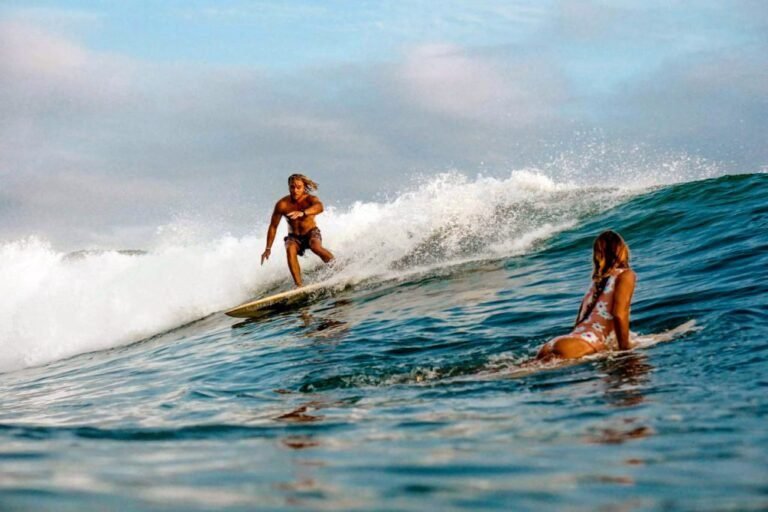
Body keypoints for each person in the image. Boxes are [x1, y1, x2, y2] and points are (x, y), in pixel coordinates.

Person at [536, 230, 637, 361]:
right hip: (581, 344)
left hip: (561, 342)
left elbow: (579, 320)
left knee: (524, 368)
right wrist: (626, 351)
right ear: (622, 250)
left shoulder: (596, 282)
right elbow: (619, 314)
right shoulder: (626, 274)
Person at [260, 174, 335, 287]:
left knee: (315, 246)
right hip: (294, 237)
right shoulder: (282, 204)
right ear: (289, 187)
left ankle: (336, 266)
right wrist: (268, 248)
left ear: (304, 187)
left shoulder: (310, 199)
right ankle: (299, 285)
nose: (295, 190)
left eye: (299, 187)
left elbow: (320, 207)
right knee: (290, 248)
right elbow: (273, 226)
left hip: (311, 233)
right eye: (292, 187)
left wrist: (303, 213)